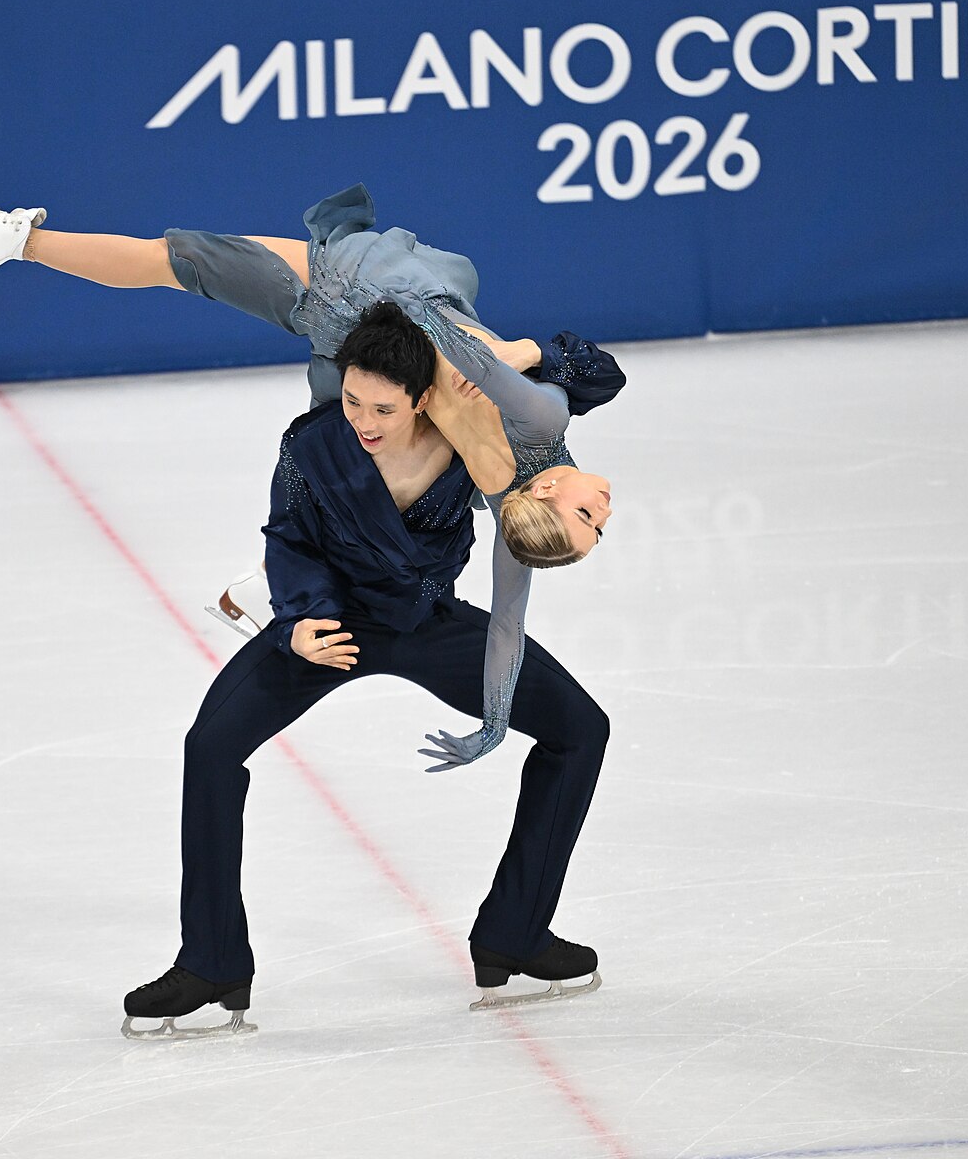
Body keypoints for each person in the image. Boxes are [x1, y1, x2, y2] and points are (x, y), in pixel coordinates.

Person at [0, 162, 622, 771]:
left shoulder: (542, 423)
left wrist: (505, 351)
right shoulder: (511, 514)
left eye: (590, 518)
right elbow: (506, 623)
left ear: (554, 488)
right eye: (598, 523)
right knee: (198, 281)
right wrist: (492, 724)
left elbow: (443, 337)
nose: (606, 506)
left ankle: (9, 242)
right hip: (377, 349)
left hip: (368, 310)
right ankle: (267, 583)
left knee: (178, 260)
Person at [118, 301, 610, 1037]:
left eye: (383, 406)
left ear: (422, 398)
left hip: (428, 625)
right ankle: (213, 959)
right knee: (210, 748)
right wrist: (299, 626)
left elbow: (596, 374)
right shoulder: (313, 444)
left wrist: (519, 354)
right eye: (351, 399)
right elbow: (288, 539)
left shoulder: (477, 435)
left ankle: (514, 932)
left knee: (580, 729)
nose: (363, 420)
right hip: (332, 628)